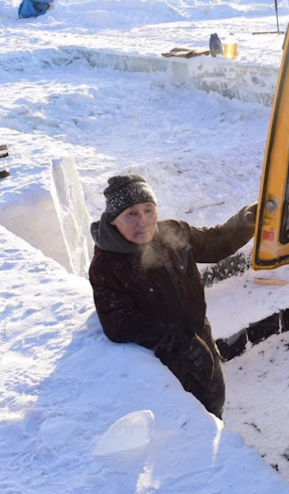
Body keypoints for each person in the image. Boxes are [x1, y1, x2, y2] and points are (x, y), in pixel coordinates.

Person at [88, 174, 257, 419]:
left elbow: (215, 242)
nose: (143, 221)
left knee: (215, 400)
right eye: (131, 214)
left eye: (148, 210)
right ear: (114, 220)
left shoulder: (172, 232)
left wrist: (244, 222)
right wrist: (182, 343)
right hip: (165, 361)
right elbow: (119, 323)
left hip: (200, 337)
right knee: (189, 421)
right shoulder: (107, 265)